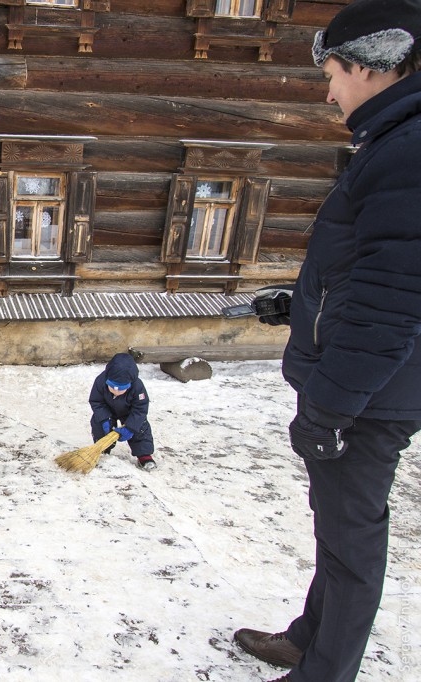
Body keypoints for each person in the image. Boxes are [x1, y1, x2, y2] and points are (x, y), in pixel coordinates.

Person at [233, 2, 421, 680]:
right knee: (338, 530)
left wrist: (329, 408)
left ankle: (324, 670)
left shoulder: (408, 149)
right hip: (370, 385)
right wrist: (303, 305)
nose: (329, 89)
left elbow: (391, 307)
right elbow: (373, 272)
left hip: (370, 398)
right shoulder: (395, 140)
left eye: (334, 72)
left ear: (375, 65)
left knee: (352, 541)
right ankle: (311, 637)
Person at [89, 352, 155, 471]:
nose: (116, 391)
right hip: (108, 411)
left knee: (141, 427)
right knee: (98, 423)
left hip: (129, 413)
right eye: (112, 386)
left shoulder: (137, 387)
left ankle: (144, 455)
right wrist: (104, 418)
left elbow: (140, 409)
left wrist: (130, 427)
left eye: (121, 389)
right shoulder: (100, 381)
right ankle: (103, 448)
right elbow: (96, 401)